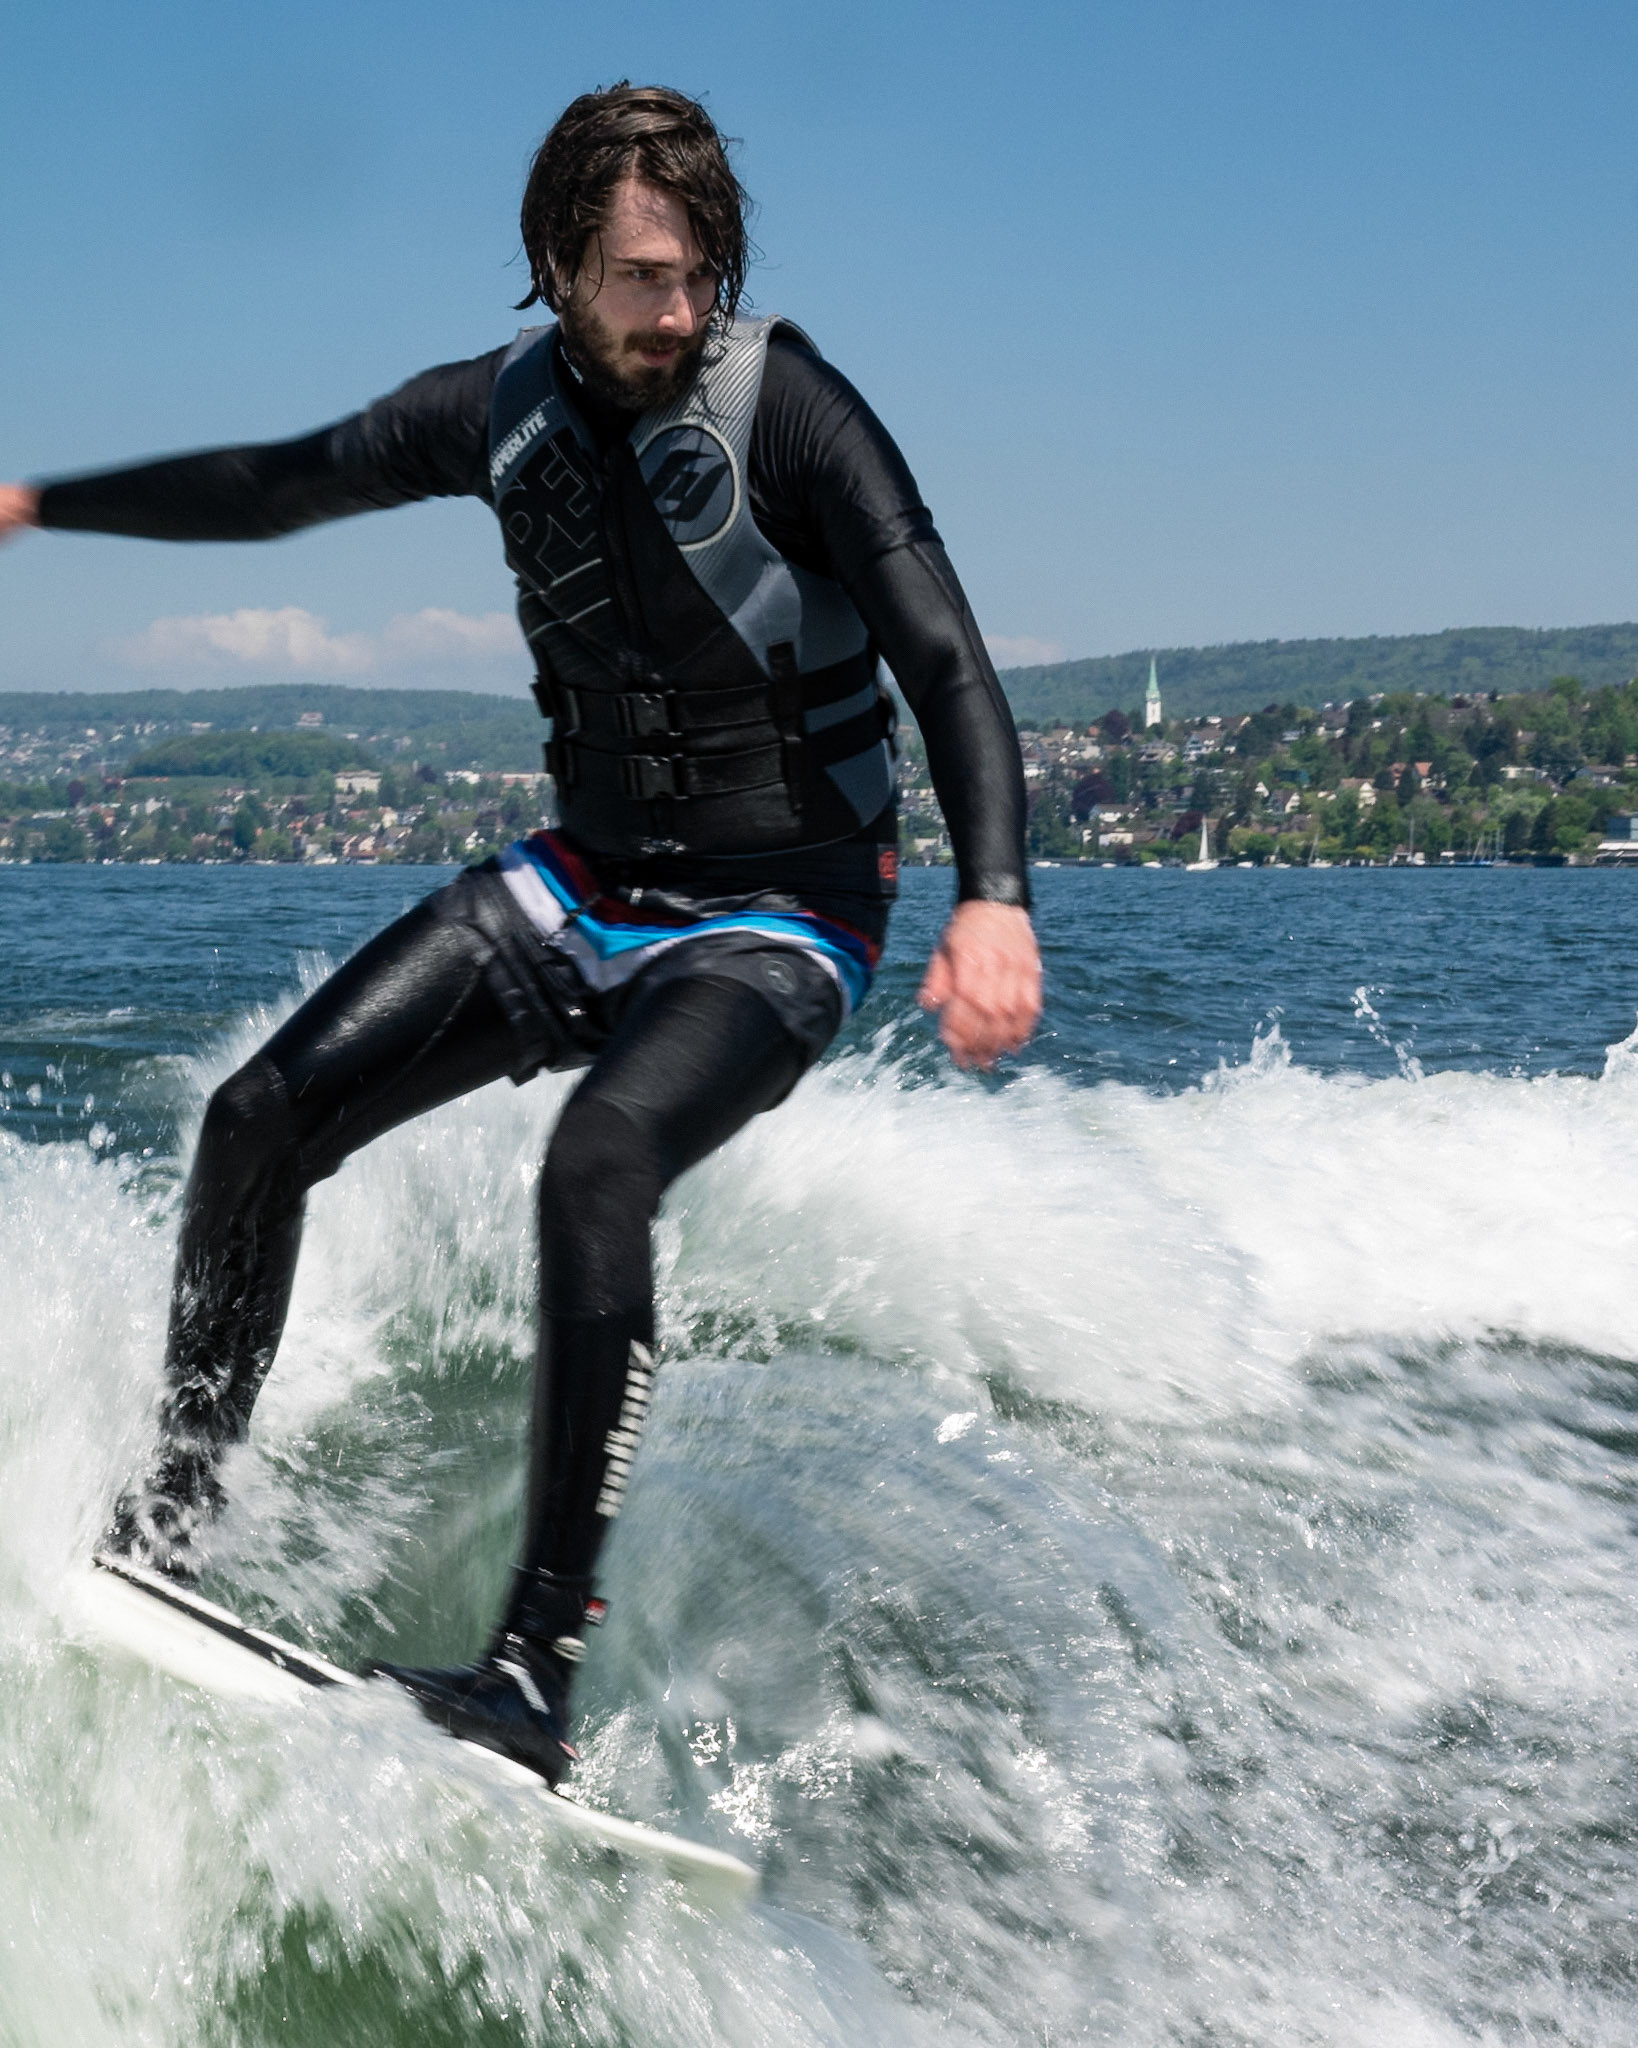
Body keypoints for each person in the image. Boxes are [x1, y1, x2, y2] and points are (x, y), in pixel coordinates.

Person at [0, 84, 1041, 1785]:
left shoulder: (793, 411)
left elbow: (945, 659)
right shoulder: (493, 413)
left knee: (595, 1161)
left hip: (783, 913)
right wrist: (41, 504)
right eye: (638, 275)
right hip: (582, 883)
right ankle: (167, 1530)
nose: (675, 311)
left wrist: (992, 896)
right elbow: (275, 486)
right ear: (558, 265)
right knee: (259, 1120)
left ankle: (534, 1673)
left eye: (697, 273)